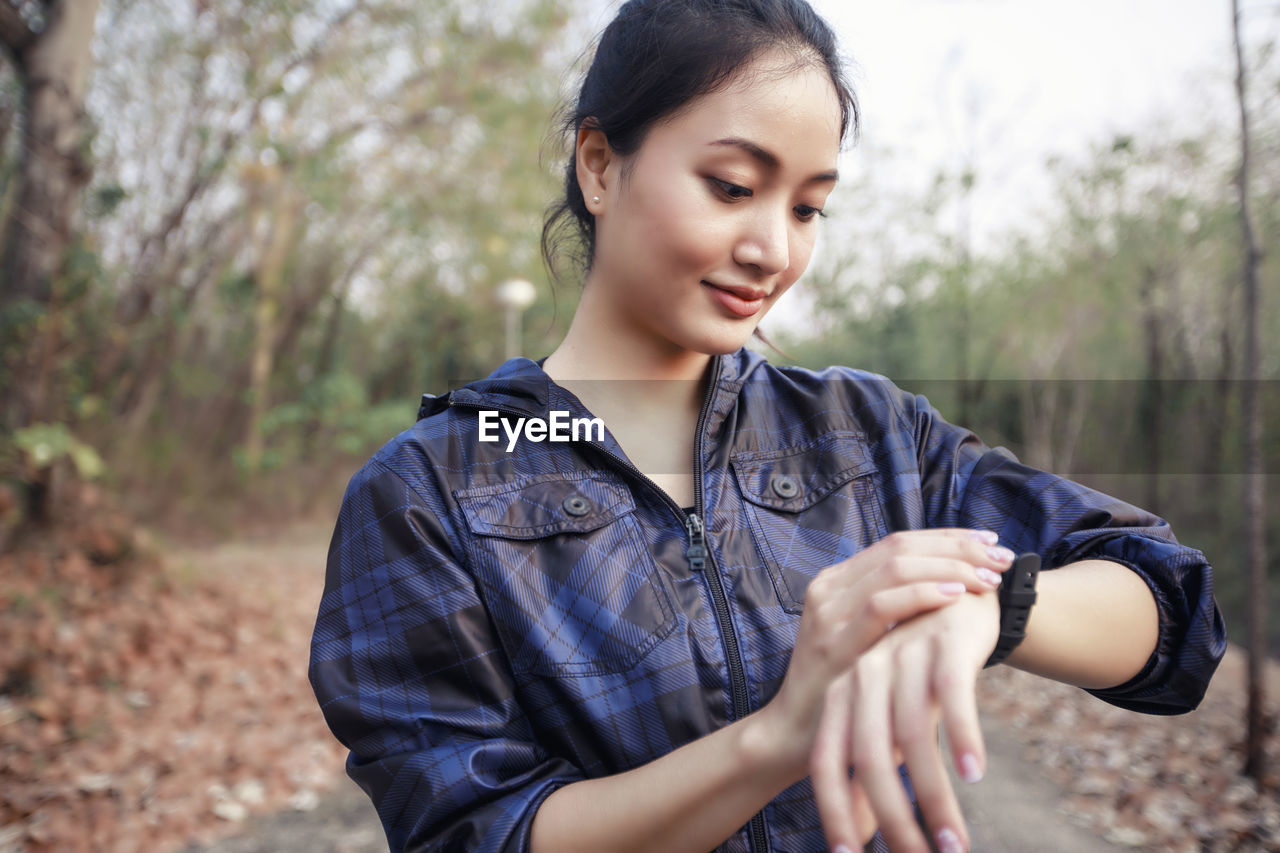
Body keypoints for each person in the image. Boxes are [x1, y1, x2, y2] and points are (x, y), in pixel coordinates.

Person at [308, 1, 1226, 851]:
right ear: (600, 165)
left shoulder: (866, 432)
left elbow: (1172, 609)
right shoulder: (431, 489)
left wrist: (995, 604)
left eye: (807, 206)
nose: (774, 250)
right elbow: (476, 828)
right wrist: (779, 737)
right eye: (731, 185)